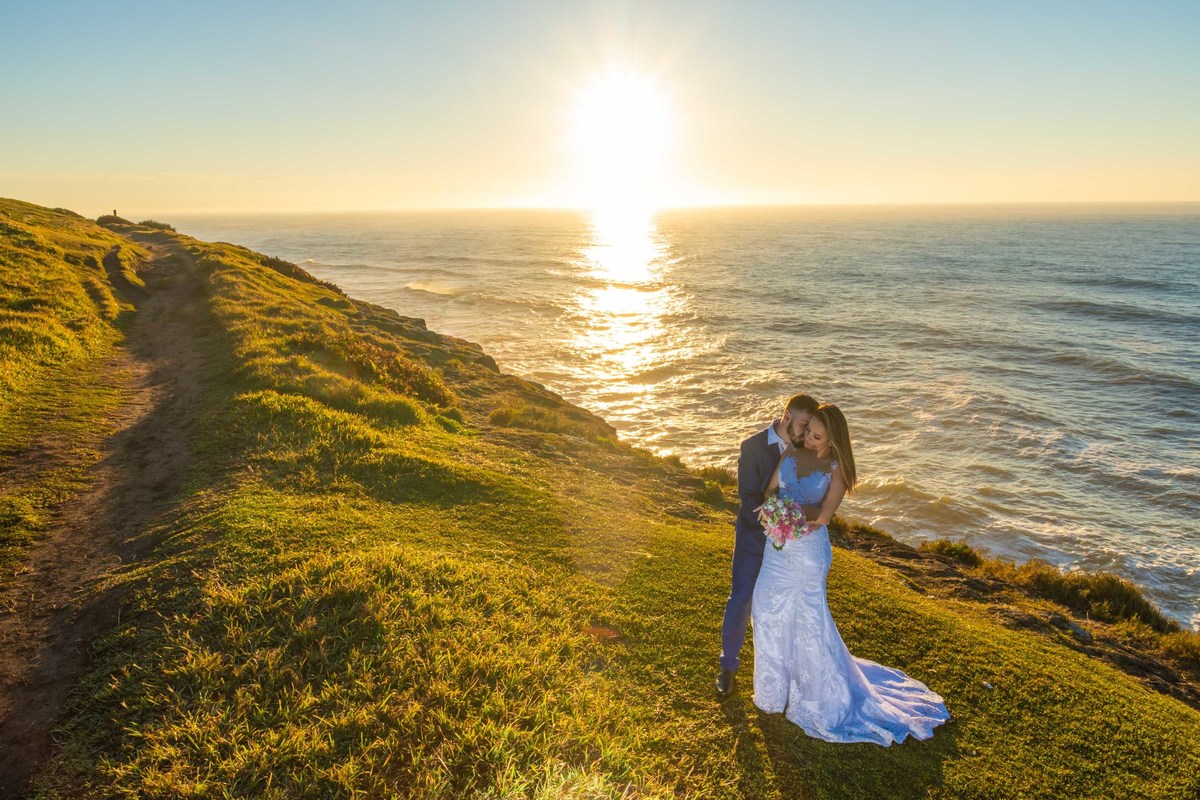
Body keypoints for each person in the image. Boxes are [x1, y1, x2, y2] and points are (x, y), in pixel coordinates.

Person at [751, 404, 950, 744]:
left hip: (808, 554)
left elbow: (824, 515)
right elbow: (770, 490)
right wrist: (773, 509)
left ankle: (813, 699)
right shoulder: (790, 452)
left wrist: (789, 512)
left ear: (834, 439)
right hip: (777, 547)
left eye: (816, 436)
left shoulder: (837, 468)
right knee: (766, 612)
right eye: (807, 431)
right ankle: (771, 694)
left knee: (807, 622)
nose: (808, 439)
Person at [716, 393, 820, 699]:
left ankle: (785, 672)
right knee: (741, 598)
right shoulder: (752, 447)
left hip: (793, 546)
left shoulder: (807, 450)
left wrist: (798, 525)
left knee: (788, 607)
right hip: (753, 539)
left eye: (810, 427)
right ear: (787, 415)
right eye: (803, 424)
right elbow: (748, 497)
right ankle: (728, 665)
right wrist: (776, 521)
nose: (804, 433)